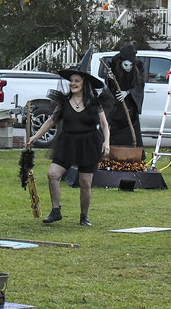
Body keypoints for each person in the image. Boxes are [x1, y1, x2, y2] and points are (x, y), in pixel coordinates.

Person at [27, 63, 111, 227]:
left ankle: (84, 216)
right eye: (71, 81)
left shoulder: (94, 102)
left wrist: (107, 142)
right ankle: (56, 210)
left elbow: (104, 124)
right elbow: (51, 121)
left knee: (85, 182)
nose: (73, 83)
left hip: (89, 143)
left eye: (77, 81)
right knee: (53, 174)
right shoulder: (64, 102)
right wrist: (35, 137)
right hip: (67, 142)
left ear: (84, 83)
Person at [103, 43, 145, 149]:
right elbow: (109, 85)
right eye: (126, 65)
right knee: (114, 129)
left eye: (131, 65)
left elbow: (140, 85)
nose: (128, 68)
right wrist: (110, 77)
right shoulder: (114, 63)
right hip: (116, 105)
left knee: (131, 129)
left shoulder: (139, 66)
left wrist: (128, 92)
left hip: (130, 105)